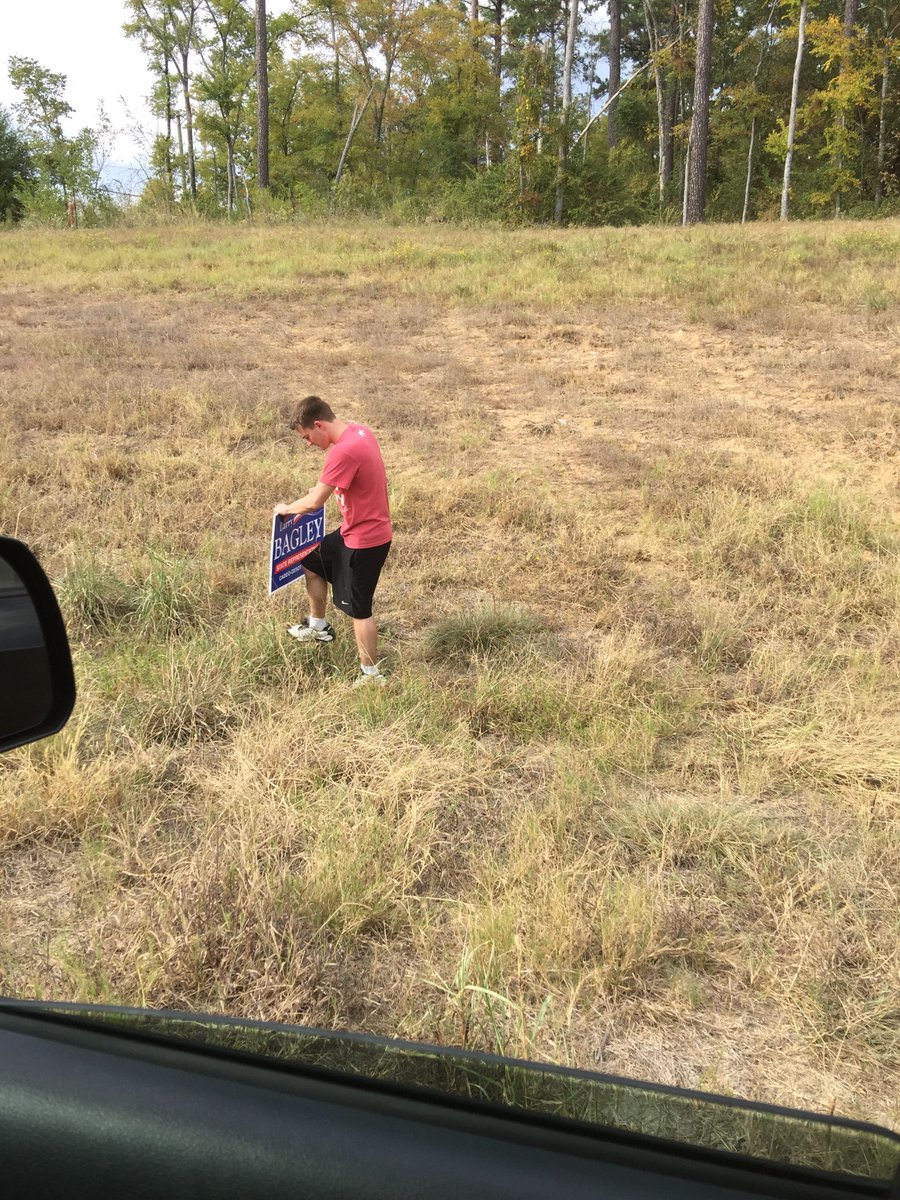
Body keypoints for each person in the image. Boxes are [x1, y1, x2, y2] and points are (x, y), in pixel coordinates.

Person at [274, 396, 392, 686]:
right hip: (353, 530)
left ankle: (371, 676)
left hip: (366, 540)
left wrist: (287, 509)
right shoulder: (360, 432)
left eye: (307, 437)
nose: (308, 443)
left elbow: (314, 502)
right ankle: (318, 627)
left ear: (318, 425)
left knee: (359, 610)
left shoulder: (343, 452)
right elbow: (345, 480)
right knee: (312, 563)